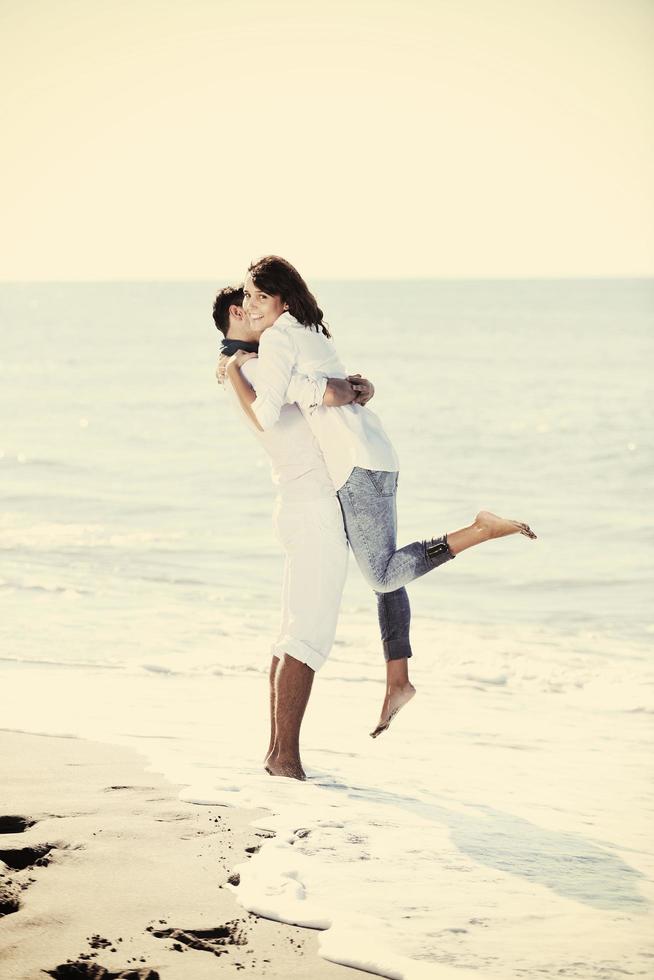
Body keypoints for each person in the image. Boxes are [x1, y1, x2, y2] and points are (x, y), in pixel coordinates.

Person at [226, 256, 537, 739]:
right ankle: (399, 679)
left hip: (355, 463)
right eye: (246, 298)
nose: (250, 306)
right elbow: (325, 388)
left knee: (384, 571)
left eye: (258, 296)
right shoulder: (309, 331)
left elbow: (269, 410)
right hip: (374, 456)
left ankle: (480, 529)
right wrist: (339, 388)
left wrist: (239, 366)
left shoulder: (278, 337)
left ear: (282, 298)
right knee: (386, 570)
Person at [214, 284, 372, 780]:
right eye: (254, 304)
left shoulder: (241, 367)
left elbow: (322, 390)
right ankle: (285, 759)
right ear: (238, 313)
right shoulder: (257, 368)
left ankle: (278, 754)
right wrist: (348, 389)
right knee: (307, 638)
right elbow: (321, 391)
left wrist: (353, 386)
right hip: (312, 509)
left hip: (296, 505)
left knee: (291, 635)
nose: (264, 311)